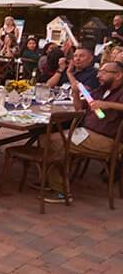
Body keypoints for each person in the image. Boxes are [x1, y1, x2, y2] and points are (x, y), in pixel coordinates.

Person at [43, 60, 123, 203]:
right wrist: (75, 93)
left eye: (104, 72)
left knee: (54, 142)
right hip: (87, 132)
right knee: (47, 138)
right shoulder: (102, 89)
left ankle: (61, 191)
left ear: (118, 75)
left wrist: (108, 104)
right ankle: (54, 179)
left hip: (107, 139)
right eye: (99, 71)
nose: (99, 75)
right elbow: (80, 108)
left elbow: (107, 107)